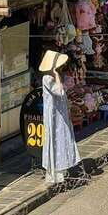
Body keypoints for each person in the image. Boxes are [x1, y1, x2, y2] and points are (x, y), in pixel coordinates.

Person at [39, 50, 80, 184]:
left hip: (60, 115)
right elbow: (60, 92)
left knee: (62, 139)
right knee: (55, 140)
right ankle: (55, 172)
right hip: (53, 115)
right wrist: (56, 75)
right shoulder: (47, 78)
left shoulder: (53, 77)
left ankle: (62, 168)